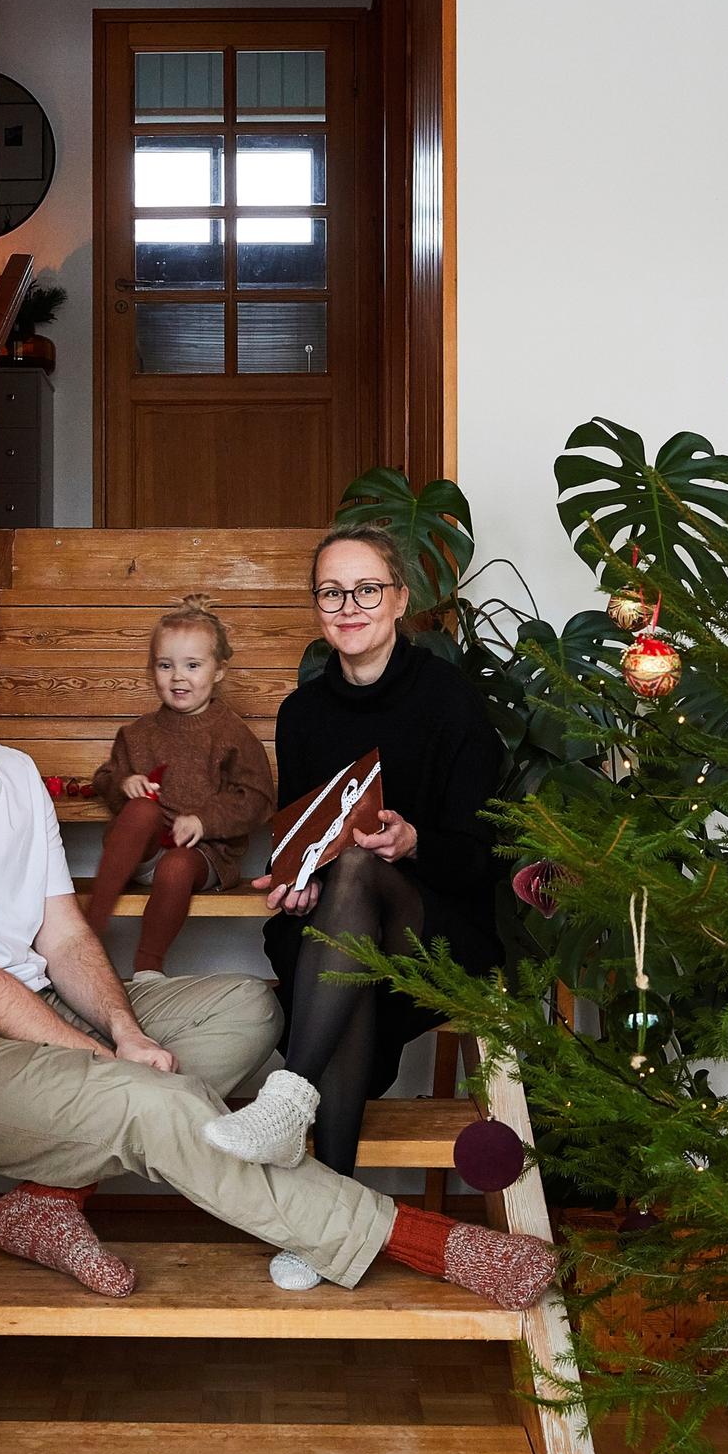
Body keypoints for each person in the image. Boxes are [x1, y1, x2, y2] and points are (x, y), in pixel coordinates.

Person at [0, 553, 553, 1310]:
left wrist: (124, 1030)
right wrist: (106, 1060)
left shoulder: (14, 774)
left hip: (25, 1006)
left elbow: (62, 939)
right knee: (151, 1103)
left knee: (254, 1010)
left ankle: (47, 1198)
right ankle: (428, 1243)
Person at [204, 528, 504, 1291]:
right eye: (332, 593)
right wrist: (297, 880)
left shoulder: (453, 703)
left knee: (365, 870)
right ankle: (325, 1222)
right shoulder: (302, 712)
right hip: (342, 923)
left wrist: (414, 843)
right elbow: (309, 839)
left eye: (366, 589)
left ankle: (293, 1118)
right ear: (317, 607)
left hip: (440, 923)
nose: (349, 607)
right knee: (341, 899)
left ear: (400, 599)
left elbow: (484, 857)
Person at [85, 596, 273, 975]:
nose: (177, 677)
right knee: (142, 810)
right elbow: (104, 778)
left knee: (176, 866)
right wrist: (125, 783)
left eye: (192, 665)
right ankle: (89, 931)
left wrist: (204, 820)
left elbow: (257, 797)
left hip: (203, 854)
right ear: (151, 669)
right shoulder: (137, 733)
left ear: (218, 670)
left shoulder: (231, 734)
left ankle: (147, 968)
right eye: (165, 665)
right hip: (144, 851)